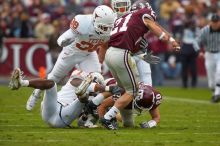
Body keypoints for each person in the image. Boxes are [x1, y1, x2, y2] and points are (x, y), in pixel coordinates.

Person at [99, 0, 180, 129]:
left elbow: (155, 25)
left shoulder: (125, 18)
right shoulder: (143, 14)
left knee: (123, 91)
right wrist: (167, 39)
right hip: (122, 54)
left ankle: (99, 106)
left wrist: (171, 39)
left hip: (111, 55)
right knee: (134, 91)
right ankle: (108, 117)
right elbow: (155, 28)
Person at [26, 5, 116, 111]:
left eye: (108, 27)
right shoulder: (82, 22)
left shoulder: (110, 28)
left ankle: (87, 109)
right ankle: (36, 93)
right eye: (104, 27)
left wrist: (100, 62)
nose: (106, 30)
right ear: (95, 20)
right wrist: (62, 40)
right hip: (72, 53)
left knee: (96, 78)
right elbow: (67, 35)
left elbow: (104, 46)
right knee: (53, 78)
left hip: (89, 54)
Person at [9, 68, 122, 128]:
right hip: (54, 109)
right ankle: (21, 83)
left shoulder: (93, 96)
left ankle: (84, 96)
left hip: (61, 116)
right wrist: (109, 89)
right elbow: (81, 84)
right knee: (52, 84)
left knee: (86, 99)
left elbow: (80, 123)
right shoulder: (77, 79)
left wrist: (96, 115)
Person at [85, 78, 162, 129]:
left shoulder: (151, 98)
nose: (139, 110)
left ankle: (113, 114)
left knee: (129, 125)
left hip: (126, 102)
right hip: (107, 91)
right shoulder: (124, 94)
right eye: (139, 107)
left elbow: (156, 117)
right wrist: (104, 122)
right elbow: (102, 105)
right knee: (87, 119)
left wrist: (150, 124)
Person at [111, 0, 153, 85]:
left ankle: (147, 95)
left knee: (146, 77)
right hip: (122, 55)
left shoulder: (135, 17)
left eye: (124, 4)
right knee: (126, 86)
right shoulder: (112, 19)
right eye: (119, 4)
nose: (122, 7)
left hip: (138, 53)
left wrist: (143, 43)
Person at [196, 13, 220, 103]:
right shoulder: (205, 30)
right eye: (213, 22)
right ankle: (215, 94)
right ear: (210, 22)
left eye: (217, 22)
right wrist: (199, 51)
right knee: (211, 83)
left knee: (219, 73)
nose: (215, 24)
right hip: (209, 54)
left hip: (219, 53)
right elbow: (196, 42)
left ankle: (217, 93)